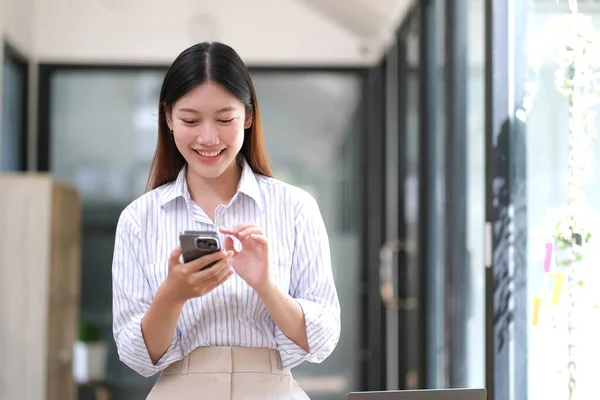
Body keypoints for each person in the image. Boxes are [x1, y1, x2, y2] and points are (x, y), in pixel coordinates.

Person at [111, 41, 341, 400]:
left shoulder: (296, 207)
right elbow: (138, 357)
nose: (208, 137)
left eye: (224, 119)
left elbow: (321, 340)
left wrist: (266, 286)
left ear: (248, 117)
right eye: (189, 120)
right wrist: (172, 296)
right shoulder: (138, 220)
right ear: (168, 118)